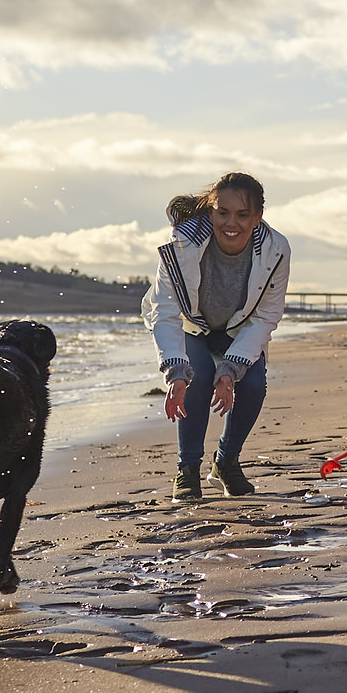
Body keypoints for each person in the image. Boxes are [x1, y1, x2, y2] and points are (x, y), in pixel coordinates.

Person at [142, 172, 291, 501]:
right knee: (197, 377)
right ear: (211, 212)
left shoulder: (276, 249)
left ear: (257, 217)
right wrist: (175, 373)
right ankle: (188, 469)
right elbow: (164, 312)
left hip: (239, 329)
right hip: (191, 326)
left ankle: (226, 463)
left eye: (242, 214)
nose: (230, 223)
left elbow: (266, 316)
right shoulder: (181, 245)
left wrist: (231, 370)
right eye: (222, 212)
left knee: (252, 385)